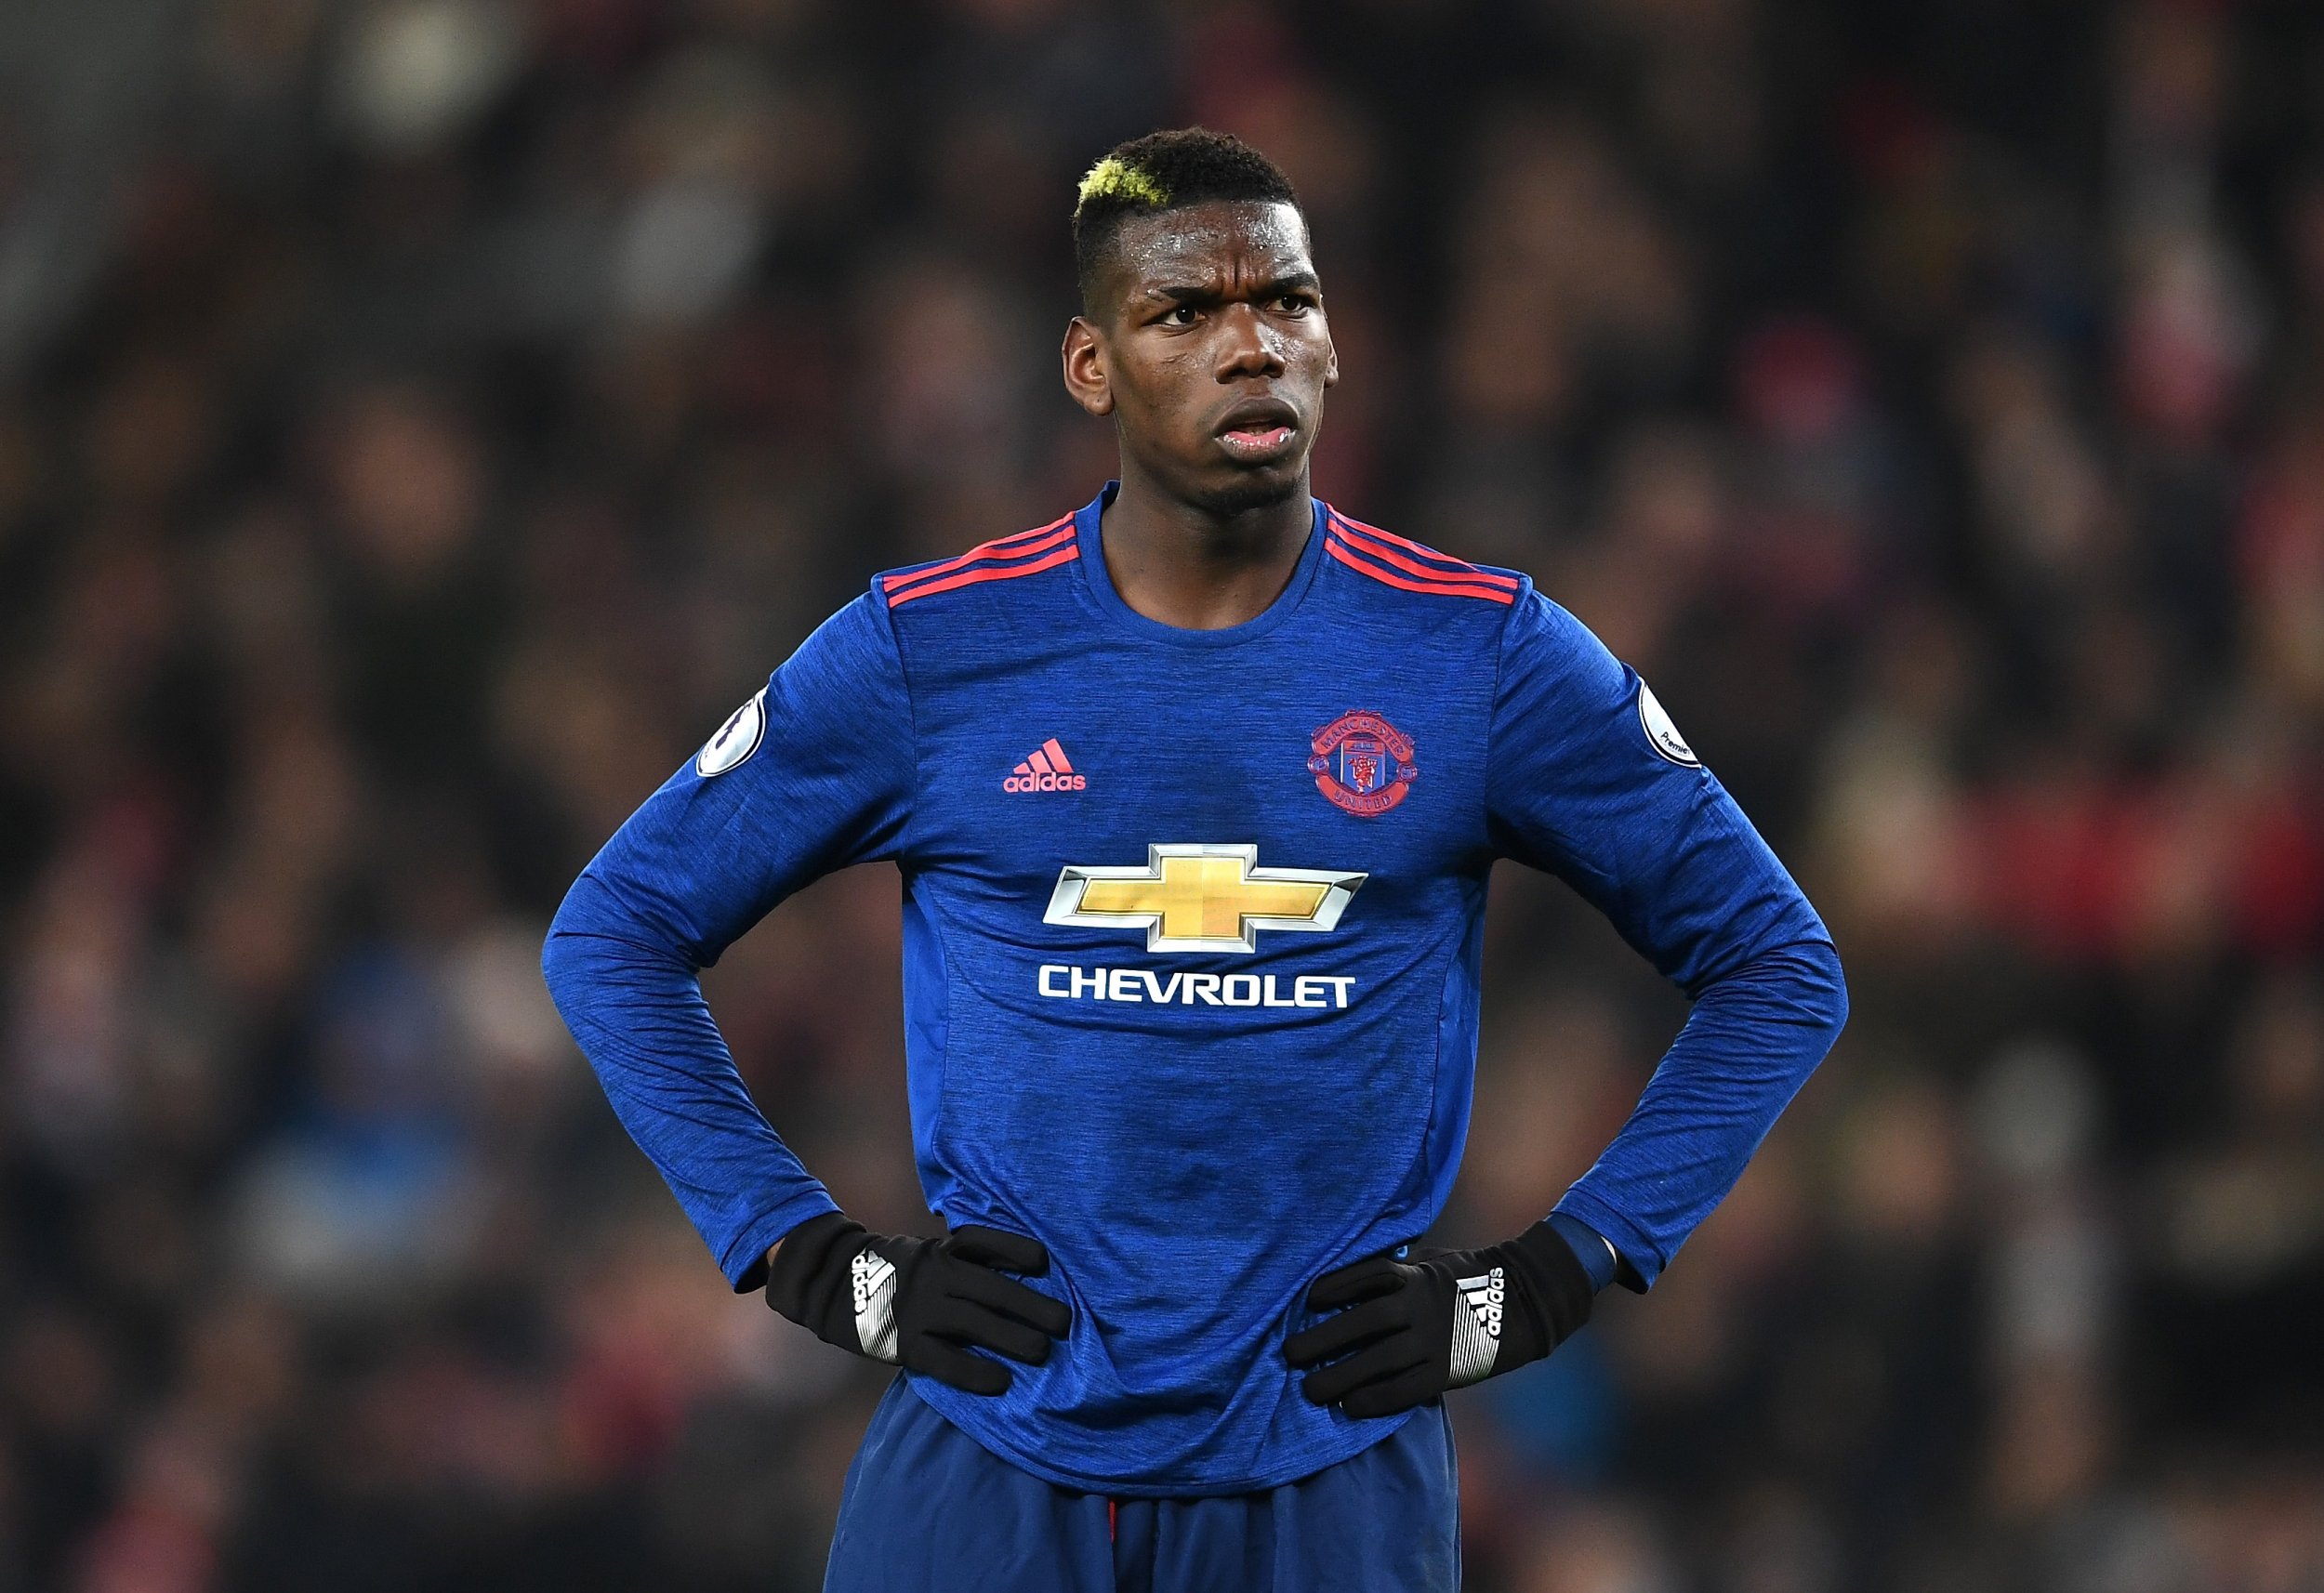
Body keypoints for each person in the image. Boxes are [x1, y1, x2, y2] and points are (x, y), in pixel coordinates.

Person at [543, 127, 1846, 1592]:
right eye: (1185, 314)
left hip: (1328, 1473)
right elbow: (614, 931)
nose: (1250, 348)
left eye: (1284, 304)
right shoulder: (932, 649)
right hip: (987, 1466)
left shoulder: (1479, 655)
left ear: (1336, 344)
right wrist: (806, 1257)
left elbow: (1779, 966)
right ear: (1090, 366)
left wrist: (1545, 1279)